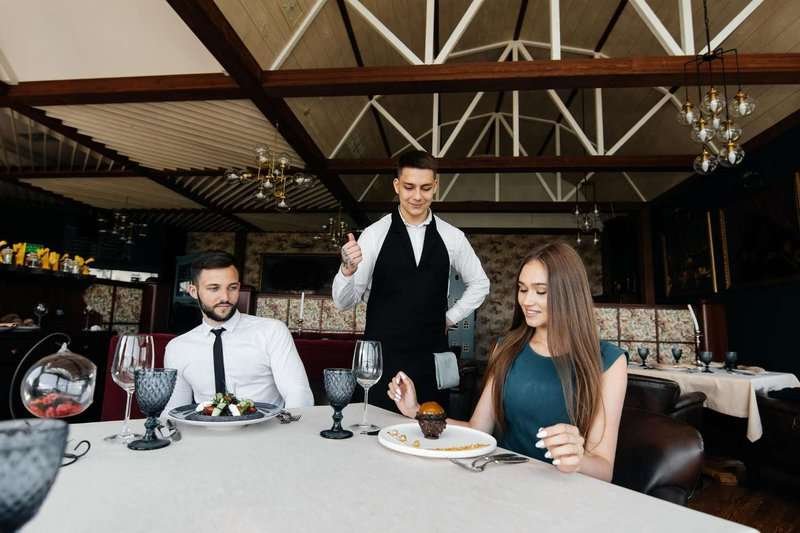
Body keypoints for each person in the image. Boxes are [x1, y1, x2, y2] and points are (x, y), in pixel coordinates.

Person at [387, 241, 627, 481]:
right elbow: (478, 430)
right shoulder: (506, 347)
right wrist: (416, 410)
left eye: (540, 291)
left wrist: (578, 460)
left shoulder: (609, 361)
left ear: (569, 294)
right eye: (523, 289)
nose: (527, 301)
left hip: (565, 490)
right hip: (501, 480)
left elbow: (604, 469)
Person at [333, 150, 490, 410]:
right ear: (396, 186)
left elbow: (480, 284)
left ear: (436, 187)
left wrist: (450, 318)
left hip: (429, 360)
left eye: (426, 188)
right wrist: (347, 270)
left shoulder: (453, 237)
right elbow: (343, 302)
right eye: (409, 187)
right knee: (372, 434)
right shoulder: (374, 235)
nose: (417, 196)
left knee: (428, 431)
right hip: (381, 362)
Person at [162, 251, 313, 415]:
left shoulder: (272, 332)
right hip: (207, 435)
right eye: (214, 288)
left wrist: (285, 434)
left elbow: (298, 394)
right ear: (193, 291)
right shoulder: (177, 348)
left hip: (266, 433)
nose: (225, 297)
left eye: (232, 288)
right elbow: (174, 410)